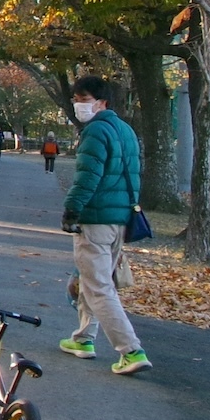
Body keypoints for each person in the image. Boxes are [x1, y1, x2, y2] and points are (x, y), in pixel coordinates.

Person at [59, 76, 151, 375]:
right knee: (93, 280)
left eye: (84, 99)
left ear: (102, 102)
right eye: (76, 98)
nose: (78, 104)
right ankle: (83, 339)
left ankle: (131, 350)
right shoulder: (125, 130)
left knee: (99, 287)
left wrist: (72, 209)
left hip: (96, 219)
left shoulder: (95, 131)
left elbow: (88, 176)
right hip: (121, 219)